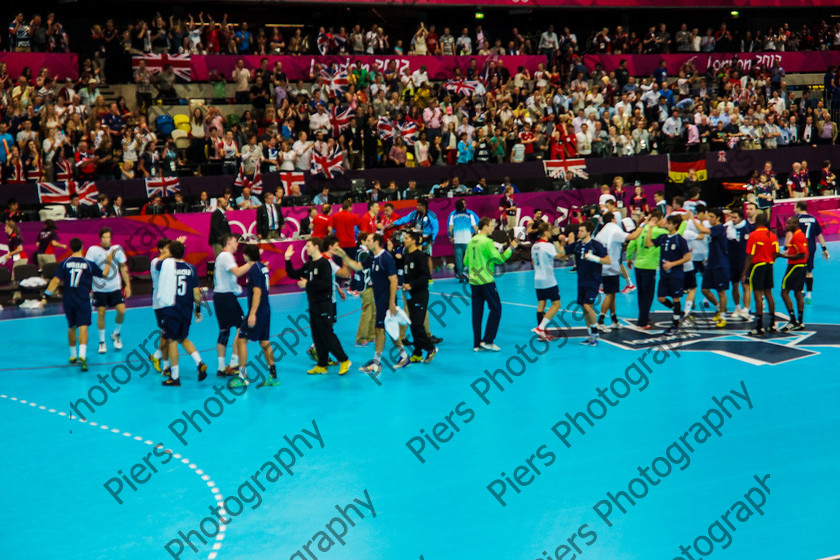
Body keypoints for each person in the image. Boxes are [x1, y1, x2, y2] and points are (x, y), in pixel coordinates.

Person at [40, 238, 113, 371]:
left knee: (71, 327)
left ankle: (73, 355)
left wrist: (45, 297)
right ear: (82, 247)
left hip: (68, 300)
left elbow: (55, 281)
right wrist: (108, 261)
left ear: (70, 248)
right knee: (83, 327)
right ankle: (82, 356)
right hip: (83, 299)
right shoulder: (89, 264)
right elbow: (104, 275)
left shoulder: (64, 263)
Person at [284, 238, 352, 375]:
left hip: (324, 305)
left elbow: (326, 284)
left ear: (316, 246)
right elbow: (293, 274)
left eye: (308, 246)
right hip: (313, 304)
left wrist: (307, 285)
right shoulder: (310, 264)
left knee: (327, 335)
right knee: (317, 335)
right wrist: (287, 259)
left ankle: (344, 360)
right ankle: (322, 364)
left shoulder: (324, 264)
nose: (306, 248)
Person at [463, 217, 520, 351]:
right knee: (496, 309)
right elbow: (500, 259)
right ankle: (488, 340)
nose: (493, 228)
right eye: (491, 225)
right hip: (486, 281)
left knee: (477, 312)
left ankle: (476, 344)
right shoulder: (487, 242)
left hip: (474, 281)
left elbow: (466, 262)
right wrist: (511, 247)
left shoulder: (471, 241)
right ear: (485, 227)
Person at [157, 241, 209, 386]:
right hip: (186, 309)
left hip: (171, 309)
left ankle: (175, 376)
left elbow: (157, 262)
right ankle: (199, 363)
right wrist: (198, 310)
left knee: (173, 341)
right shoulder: (191, 268)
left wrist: (168, 252)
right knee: (183, 338)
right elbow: (196, 291)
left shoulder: (167, 265)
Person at [357, 233, 410, 374]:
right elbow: (357, 266)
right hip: (379, 298)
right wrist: (343, 256)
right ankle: (404, 356)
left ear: (376, 242)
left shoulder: (385, 258)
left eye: (368, 240)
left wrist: (391, 302)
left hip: (386, 300)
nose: (366, 242)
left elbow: (394, 280)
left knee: (379, 330)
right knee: (389, 329)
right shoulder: (372, 257)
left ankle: (376, 362)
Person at [231, 243, 279, 387]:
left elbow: (257, 291)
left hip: (257, 310)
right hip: (266, 308)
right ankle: (273, 375)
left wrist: (252, 313)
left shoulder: (253, 270)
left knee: (241, 339)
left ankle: (242, 376)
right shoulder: (262, 267)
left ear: (246, 256)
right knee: (264, 342)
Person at [212, 235, 255, 378]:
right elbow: (237, 272)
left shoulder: (221, 257)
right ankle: (234, 363)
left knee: (224, 331)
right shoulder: (227, 256)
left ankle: (221, 367)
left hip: (220, 297)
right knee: (242, 328)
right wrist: (251, 262)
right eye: (235, 241)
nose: (237, 243)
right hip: (226, 297)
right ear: (229, 241)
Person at [85, 227, 130, 354]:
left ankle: (116, 334)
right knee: (101, 313)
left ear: (111, 238)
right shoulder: (93, 250)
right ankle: (102, 342)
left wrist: (127, 285)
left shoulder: (118, 249)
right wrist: (89, 288)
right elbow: (88, 270)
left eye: (108, 237)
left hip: (115, 287)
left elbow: (123, 267)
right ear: (100, 238)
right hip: (99, 288)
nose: (106, 240)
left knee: (121, 310)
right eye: (104, 237)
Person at [594, 212, 642, 331]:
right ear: (613, 219)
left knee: (612, 293)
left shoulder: (601, 232)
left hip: (602, 266)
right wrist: (643, 225)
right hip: (611, 266)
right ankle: (600, 321)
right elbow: (632, 237)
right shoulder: (615, 230)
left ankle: (614, 319)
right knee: (609, 294)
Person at [565, 221, 611, 345]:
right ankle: (591, 335)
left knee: (587, 305)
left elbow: (608, 260)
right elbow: (563, 252)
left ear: (588, 232)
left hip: (593, 280)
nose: (578, 232)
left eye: (581, 231)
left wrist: (594, 258)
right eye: (578, 230)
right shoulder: (576, 245)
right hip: (581, 281)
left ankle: (595, 331)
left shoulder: (596, 245)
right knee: (584, 309)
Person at [646, 215, 692, 335]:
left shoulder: (680, 240)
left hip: (676, 274)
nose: (666, 225)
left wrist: (672, 264)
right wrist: (649, 228)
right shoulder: (663, 237)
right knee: (660, 298)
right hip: (664, 274)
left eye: (669, 223)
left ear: (675, 225)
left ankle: (675, 324)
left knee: (676, 298)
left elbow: (687, 257)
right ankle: (677, 312)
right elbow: (648, 244)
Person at [626, 209, 667, 329]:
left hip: (638, 265)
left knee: (641, 294)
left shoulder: (641, 229)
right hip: (649, 266)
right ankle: (642, 321)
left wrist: (629, 258)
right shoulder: (660, 231)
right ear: (657, 219)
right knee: (648, 295)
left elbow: (631, 245)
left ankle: (644, 316)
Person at [689, 208, 730, 328]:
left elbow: (702, 230)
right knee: (704, 289)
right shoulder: (714, 229)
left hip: (720, 265)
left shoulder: (720, 228)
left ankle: (722, 316)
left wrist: (692, 219)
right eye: (709, 216)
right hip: (711, 263)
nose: (709, 219)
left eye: (712, 217)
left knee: (721, 291)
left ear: (718, 218)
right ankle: (719, 307)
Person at [402, 231, 437, 363]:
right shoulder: (407, 255)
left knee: (417, 324)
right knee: (413, 324)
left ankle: (430, 348)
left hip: (420, 294)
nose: (404, 240)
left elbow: (425, 276)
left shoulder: (420, 256)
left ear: (413, 240)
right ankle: (417, 353)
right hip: (409, 295)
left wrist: (411, 285)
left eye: (406, 238)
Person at [742, 212, 778, 336]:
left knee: (758, 294)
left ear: (756, 222)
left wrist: (745, 271)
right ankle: (772, 324)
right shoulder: (772, 235)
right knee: (768, 293)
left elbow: (750, 255)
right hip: (769, 266)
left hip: (757, 266)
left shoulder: (753, 235)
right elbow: (775, 253)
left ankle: (759, 326)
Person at [530, 222, 566, 341]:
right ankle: (541, 328)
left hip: (537, 279)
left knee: (541, 304)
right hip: (548, 279)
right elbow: (559, 256)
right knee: (556, 304)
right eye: (549, 230)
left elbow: (533, 262)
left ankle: (542, 335)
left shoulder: (534, 246)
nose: (550, 232)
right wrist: (564, 246)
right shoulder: (548, 246)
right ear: (545, 232)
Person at [793, 200, 829, 304]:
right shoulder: (813, 219)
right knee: (809, 271)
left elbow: (791, 234)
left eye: (795, 207)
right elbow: (819, 235)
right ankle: (809, 295)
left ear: (799, 208)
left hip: (799, 248)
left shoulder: (796, 219)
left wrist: (787, 248)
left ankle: (801, 290)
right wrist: (824, 249)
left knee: (798, 269)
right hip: (811, 247)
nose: (794, 209)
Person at [777, 216, 808, 332]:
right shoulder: (800, 234)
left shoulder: (796, 236)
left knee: (784, 292)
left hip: (795, 266)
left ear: (795, 224)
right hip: (801, 266)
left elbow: (802, 254)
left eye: (789, 223)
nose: (786, 225)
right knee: (798, 292)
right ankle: (799, 322)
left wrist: (783, 256)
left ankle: (793, 320)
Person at [726, 208, 753, 321]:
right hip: (732, 262)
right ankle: (737, 308)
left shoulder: (748, 228)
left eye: (735, 217)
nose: (732, 219)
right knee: (735, 285)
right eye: (731, 217)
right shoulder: (728, 228)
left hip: (745, 262)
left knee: (745, 285)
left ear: (741, 217)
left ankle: (746, 309)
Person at [447, 198, 479, 283]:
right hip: (467, 241)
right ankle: (469, 275)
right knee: (469, 258)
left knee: (459, 259)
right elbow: (475, 227)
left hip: (457, 241)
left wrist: (451, 237)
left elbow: (450, 228)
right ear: (464, 206)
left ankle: (461, 275)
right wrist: (479, 234)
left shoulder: (453, 215)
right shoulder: (469, 215)